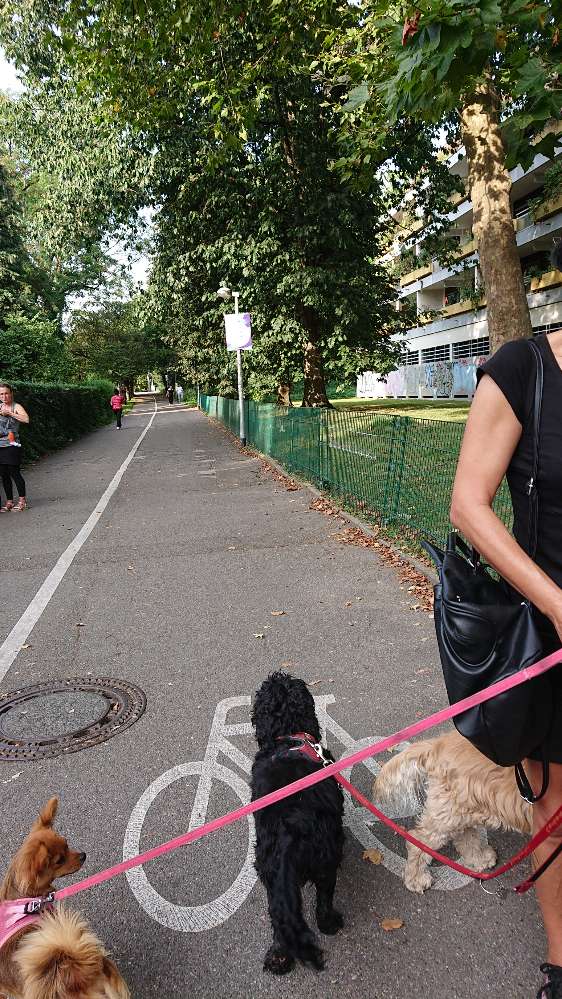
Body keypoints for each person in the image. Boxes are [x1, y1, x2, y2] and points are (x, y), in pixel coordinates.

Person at [450, 324, 562, 998]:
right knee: (552, 808)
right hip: (548, 641)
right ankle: (561, 960)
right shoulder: (525, 367)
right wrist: (556, 602)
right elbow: (468, 504)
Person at [0, 382, 29, 513]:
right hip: (0, 446)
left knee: (14, 473)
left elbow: (26, 419)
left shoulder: (16, 406)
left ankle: (22, 500)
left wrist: (10, 413)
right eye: (1, 394)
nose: (4, 396)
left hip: (12, 445)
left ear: (11, 394)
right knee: (4, 475)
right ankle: (9, 501)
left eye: (6, 393)